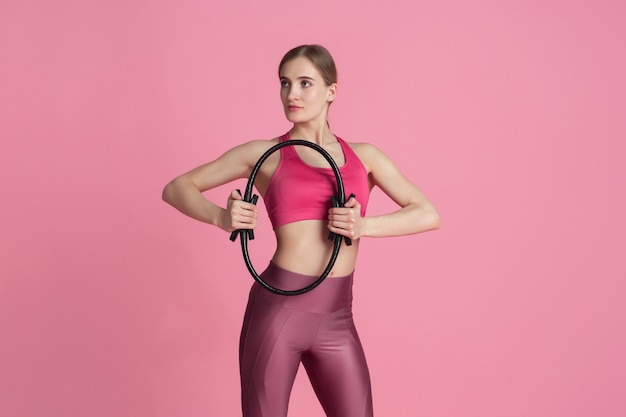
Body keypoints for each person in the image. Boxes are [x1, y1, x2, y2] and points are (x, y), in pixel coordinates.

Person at [162, 44, 440, 417]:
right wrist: (221, 217)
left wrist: (365, 225)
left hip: (338, 317)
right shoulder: (266, 154)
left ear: (331, 91)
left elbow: (426, 213)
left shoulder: (365, 157)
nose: (291, 94)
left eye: (305, 83)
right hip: (279, 312)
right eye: (284, 83)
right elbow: (176, 187)